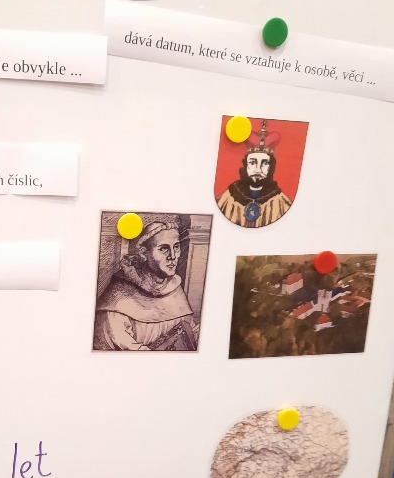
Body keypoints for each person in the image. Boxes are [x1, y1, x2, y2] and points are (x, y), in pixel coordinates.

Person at [93, 218, 196, 351]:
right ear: (143, 253)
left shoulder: (174, 289)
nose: (173, 256)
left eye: (176, 247)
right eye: (164, 248)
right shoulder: (118, 295)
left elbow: (191, 332)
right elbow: (121, 343)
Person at [217, 120, 291, 227]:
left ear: (271, 167)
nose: (258, 169)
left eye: (264, 163)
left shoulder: (281, 203)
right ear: (245, 165)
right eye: (253, 162)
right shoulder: (228, 199)